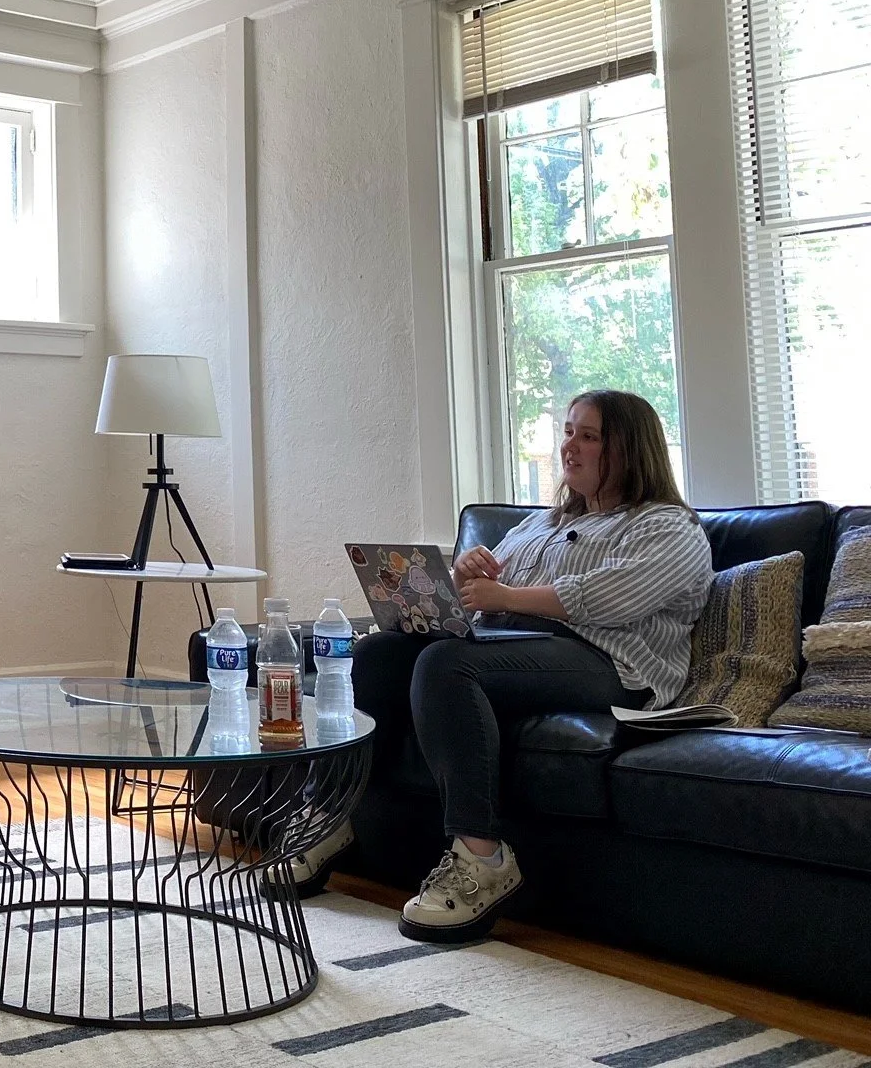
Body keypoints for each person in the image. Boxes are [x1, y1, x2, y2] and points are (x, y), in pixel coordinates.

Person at [288, 389, 712, 944]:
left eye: (589, 436)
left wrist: (506, 596)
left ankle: (481, 858)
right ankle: (328, 816)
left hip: (610, 664)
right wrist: (464, 573)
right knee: (376, 654)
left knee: (448, 664)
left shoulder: (668, 527)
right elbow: (480, 594)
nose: (570, 447)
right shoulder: (544, 523)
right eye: (568, 432)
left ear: (632, 449)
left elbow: (610, 597)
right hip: (511, 645)